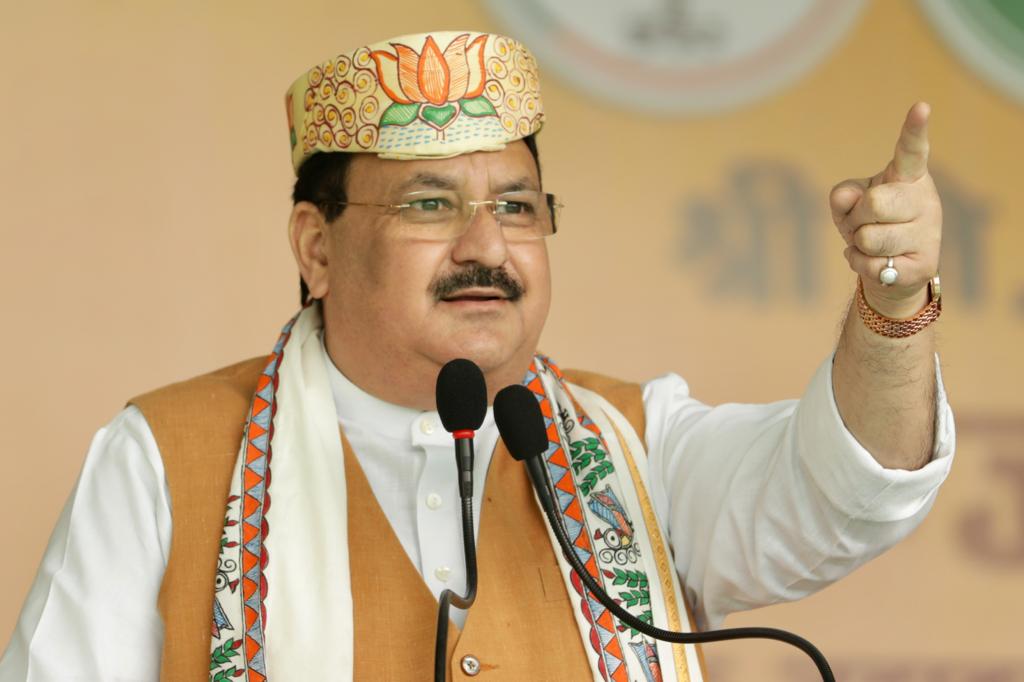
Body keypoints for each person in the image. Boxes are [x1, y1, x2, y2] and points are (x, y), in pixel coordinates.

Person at [0, 30, 953, 681]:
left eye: (516, 206)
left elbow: (844, 490)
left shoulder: (630, 446)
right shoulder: (164, 458)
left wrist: (892, 304)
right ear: (316, 246)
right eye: (429, 203)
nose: (487, 247)